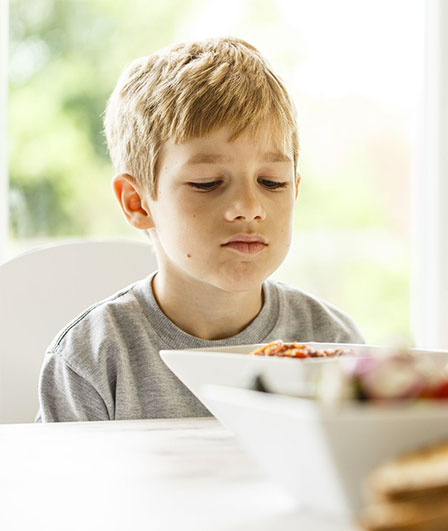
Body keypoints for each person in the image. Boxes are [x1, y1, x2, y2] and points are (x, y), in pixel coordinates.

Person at [36, 37, 364, 422]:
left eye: (272, 182)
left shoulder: (334, 343)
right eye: (207, 183)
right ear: (137, 203)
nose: (249, 207)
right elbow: (64, 482)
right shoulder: (91, 357)